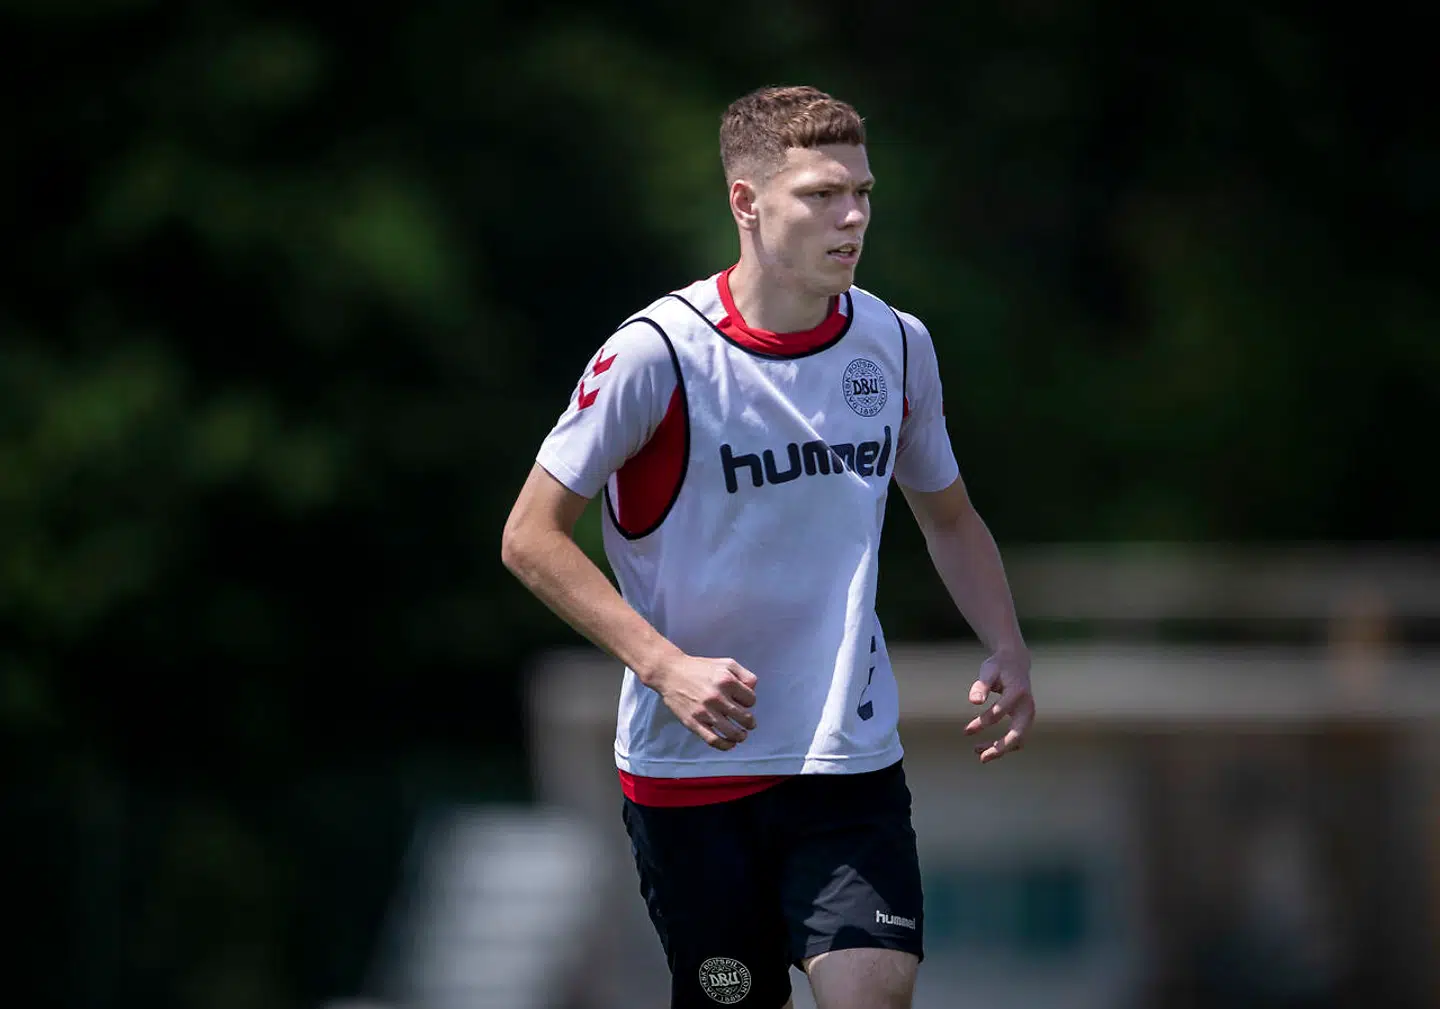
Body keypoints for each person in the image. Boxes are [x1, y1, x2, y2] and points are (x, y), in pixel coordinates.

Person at [501, 85, 1035, 1009]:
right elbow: (529, 537)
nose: (854, 215)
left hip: (846, 759)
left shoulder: (896, 345)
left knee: (876, 992)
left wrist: (1008, 642)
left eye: (863, 192)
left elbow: (948, 515)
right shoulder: (657, 354)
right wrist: (666, 666)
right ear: (747, 202)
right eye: (822, 194)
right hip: (691, 773)